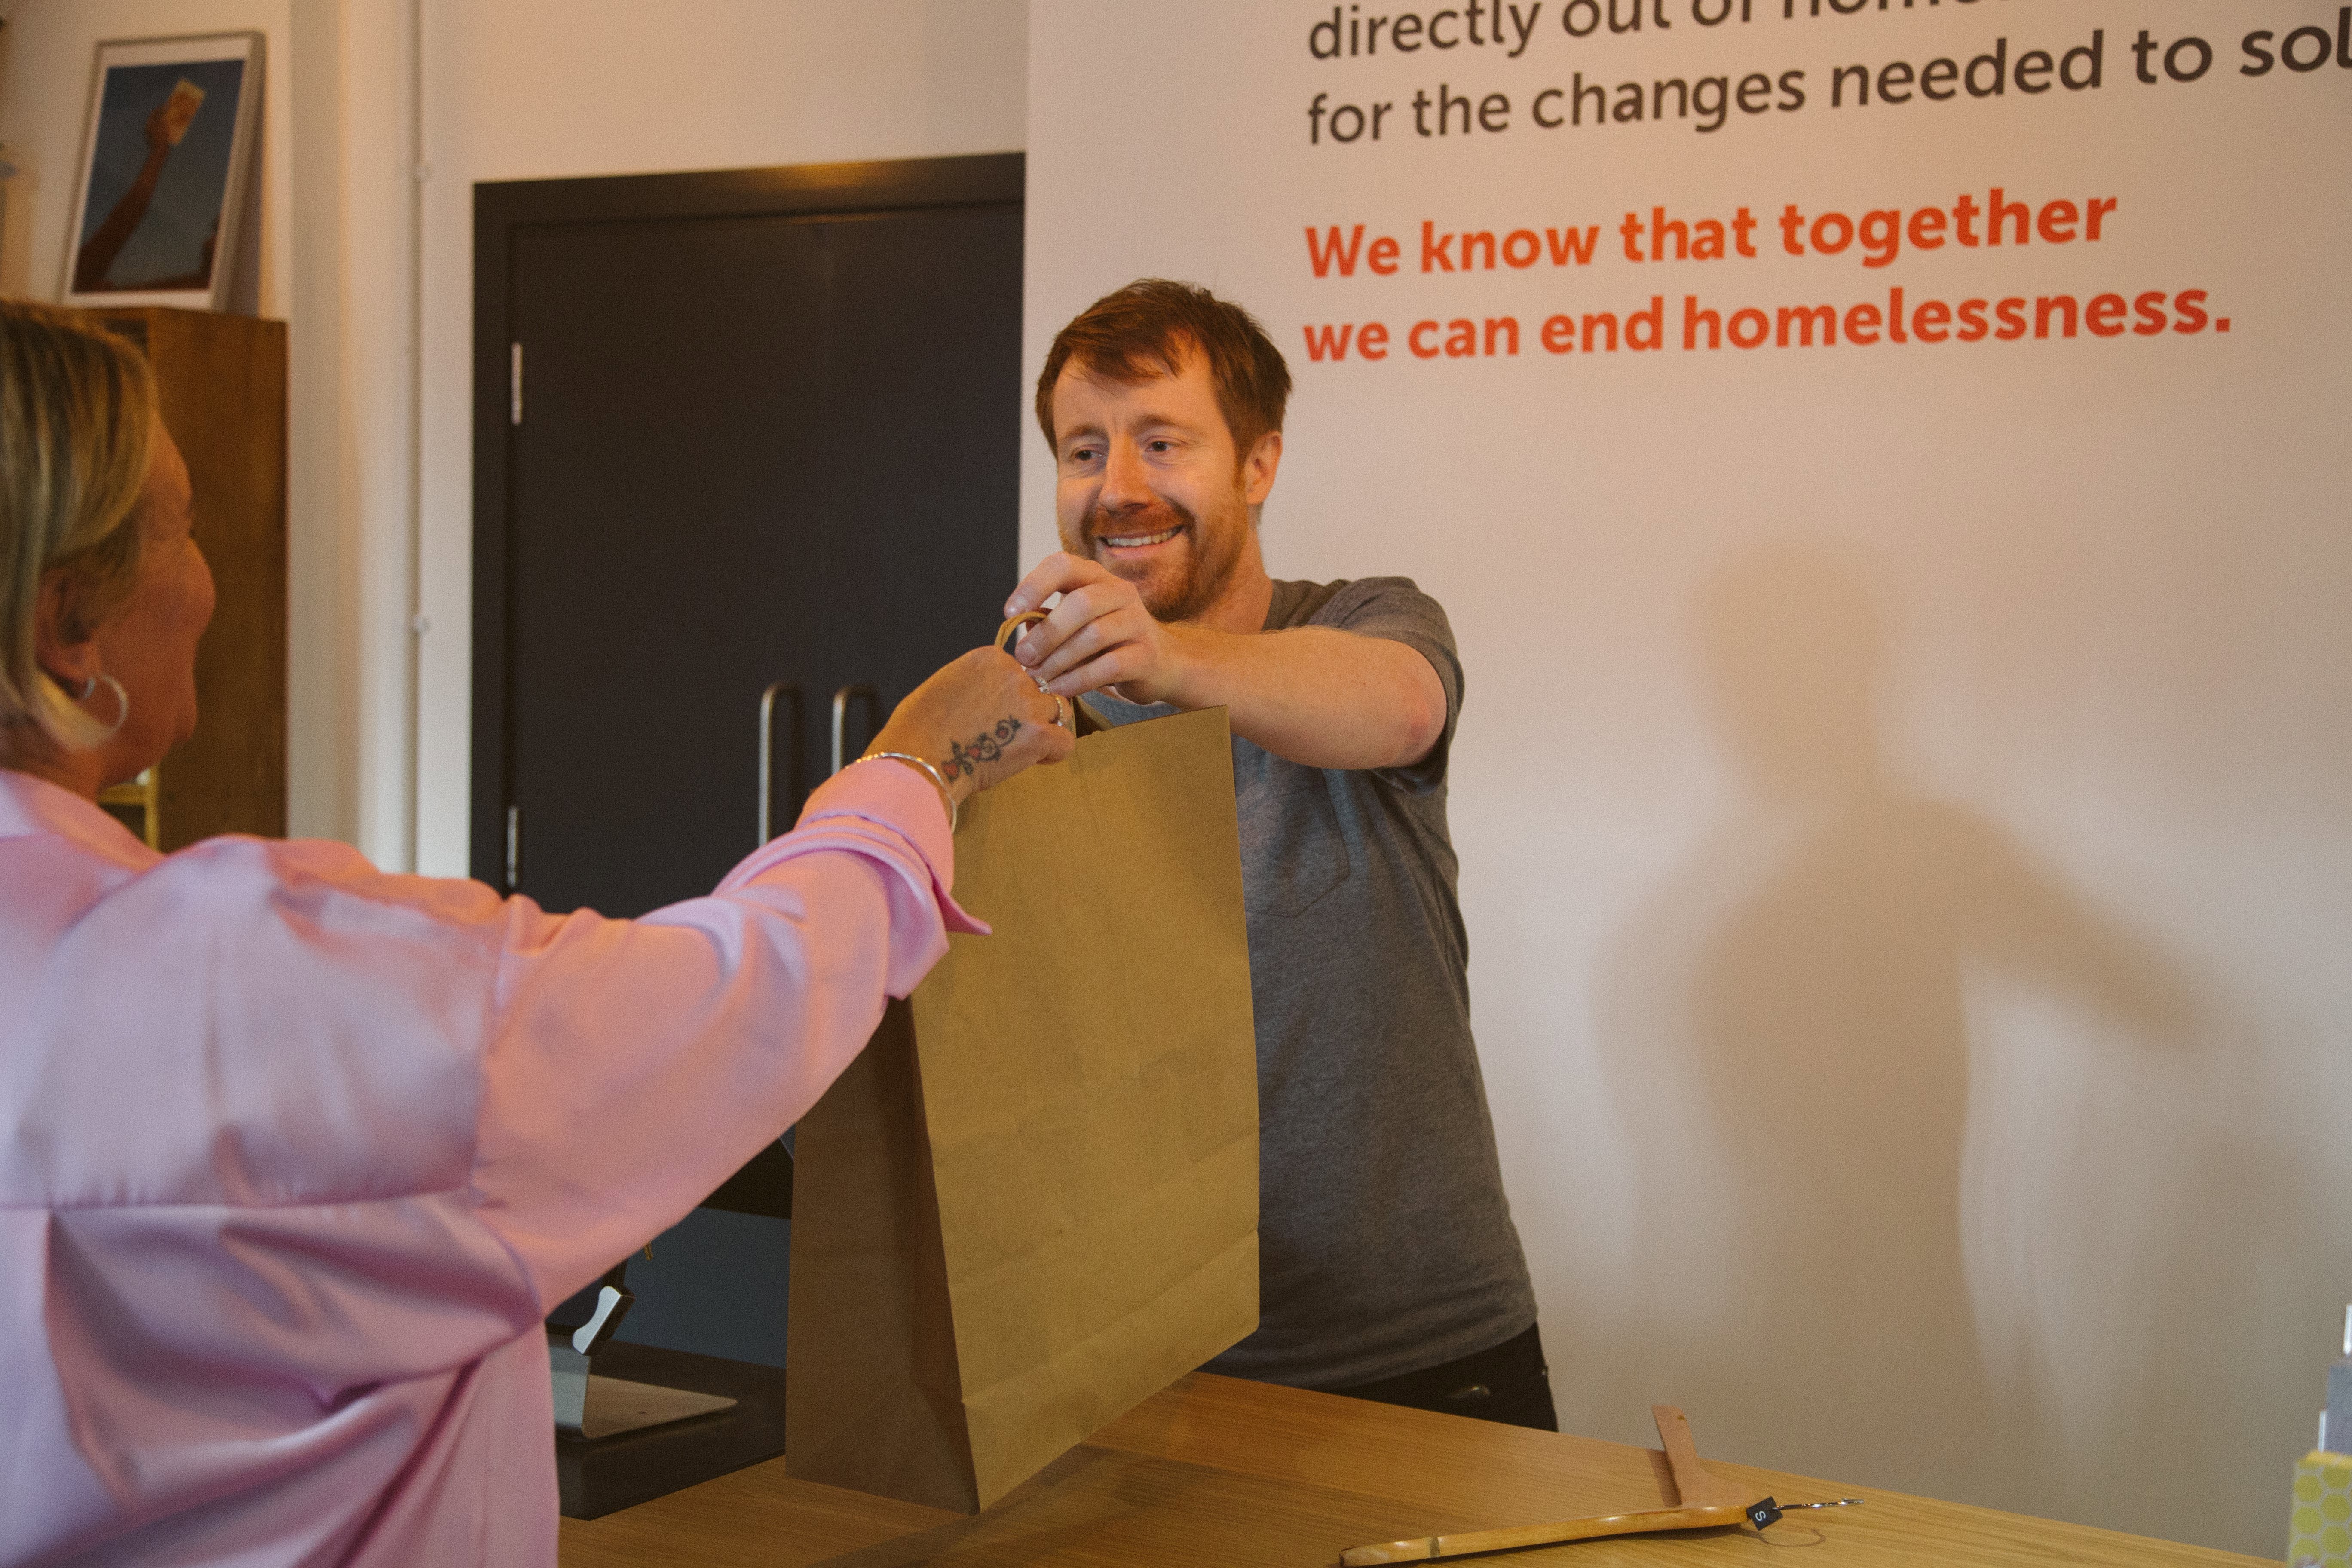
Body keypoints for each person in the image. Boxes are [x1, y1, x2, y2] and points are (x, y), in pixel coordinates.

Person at [0, 300, 1069, 1565]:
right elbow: (731, 1001)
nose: (209, 580)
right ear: (72, 622)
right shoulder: (240, 978)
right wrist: (915, 765)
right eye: (185, 530)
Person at [1004, 280, 1551, 1428]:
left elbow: (1399, 711)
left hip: (1418, 1350)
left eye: (1164, 442)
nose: (1120, 489)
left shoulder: (1368, 618)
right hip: (1137, 1359)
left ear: (1259, 464)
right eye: (1084, 449)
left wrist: (1165, 660)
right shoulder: (1026, 718)